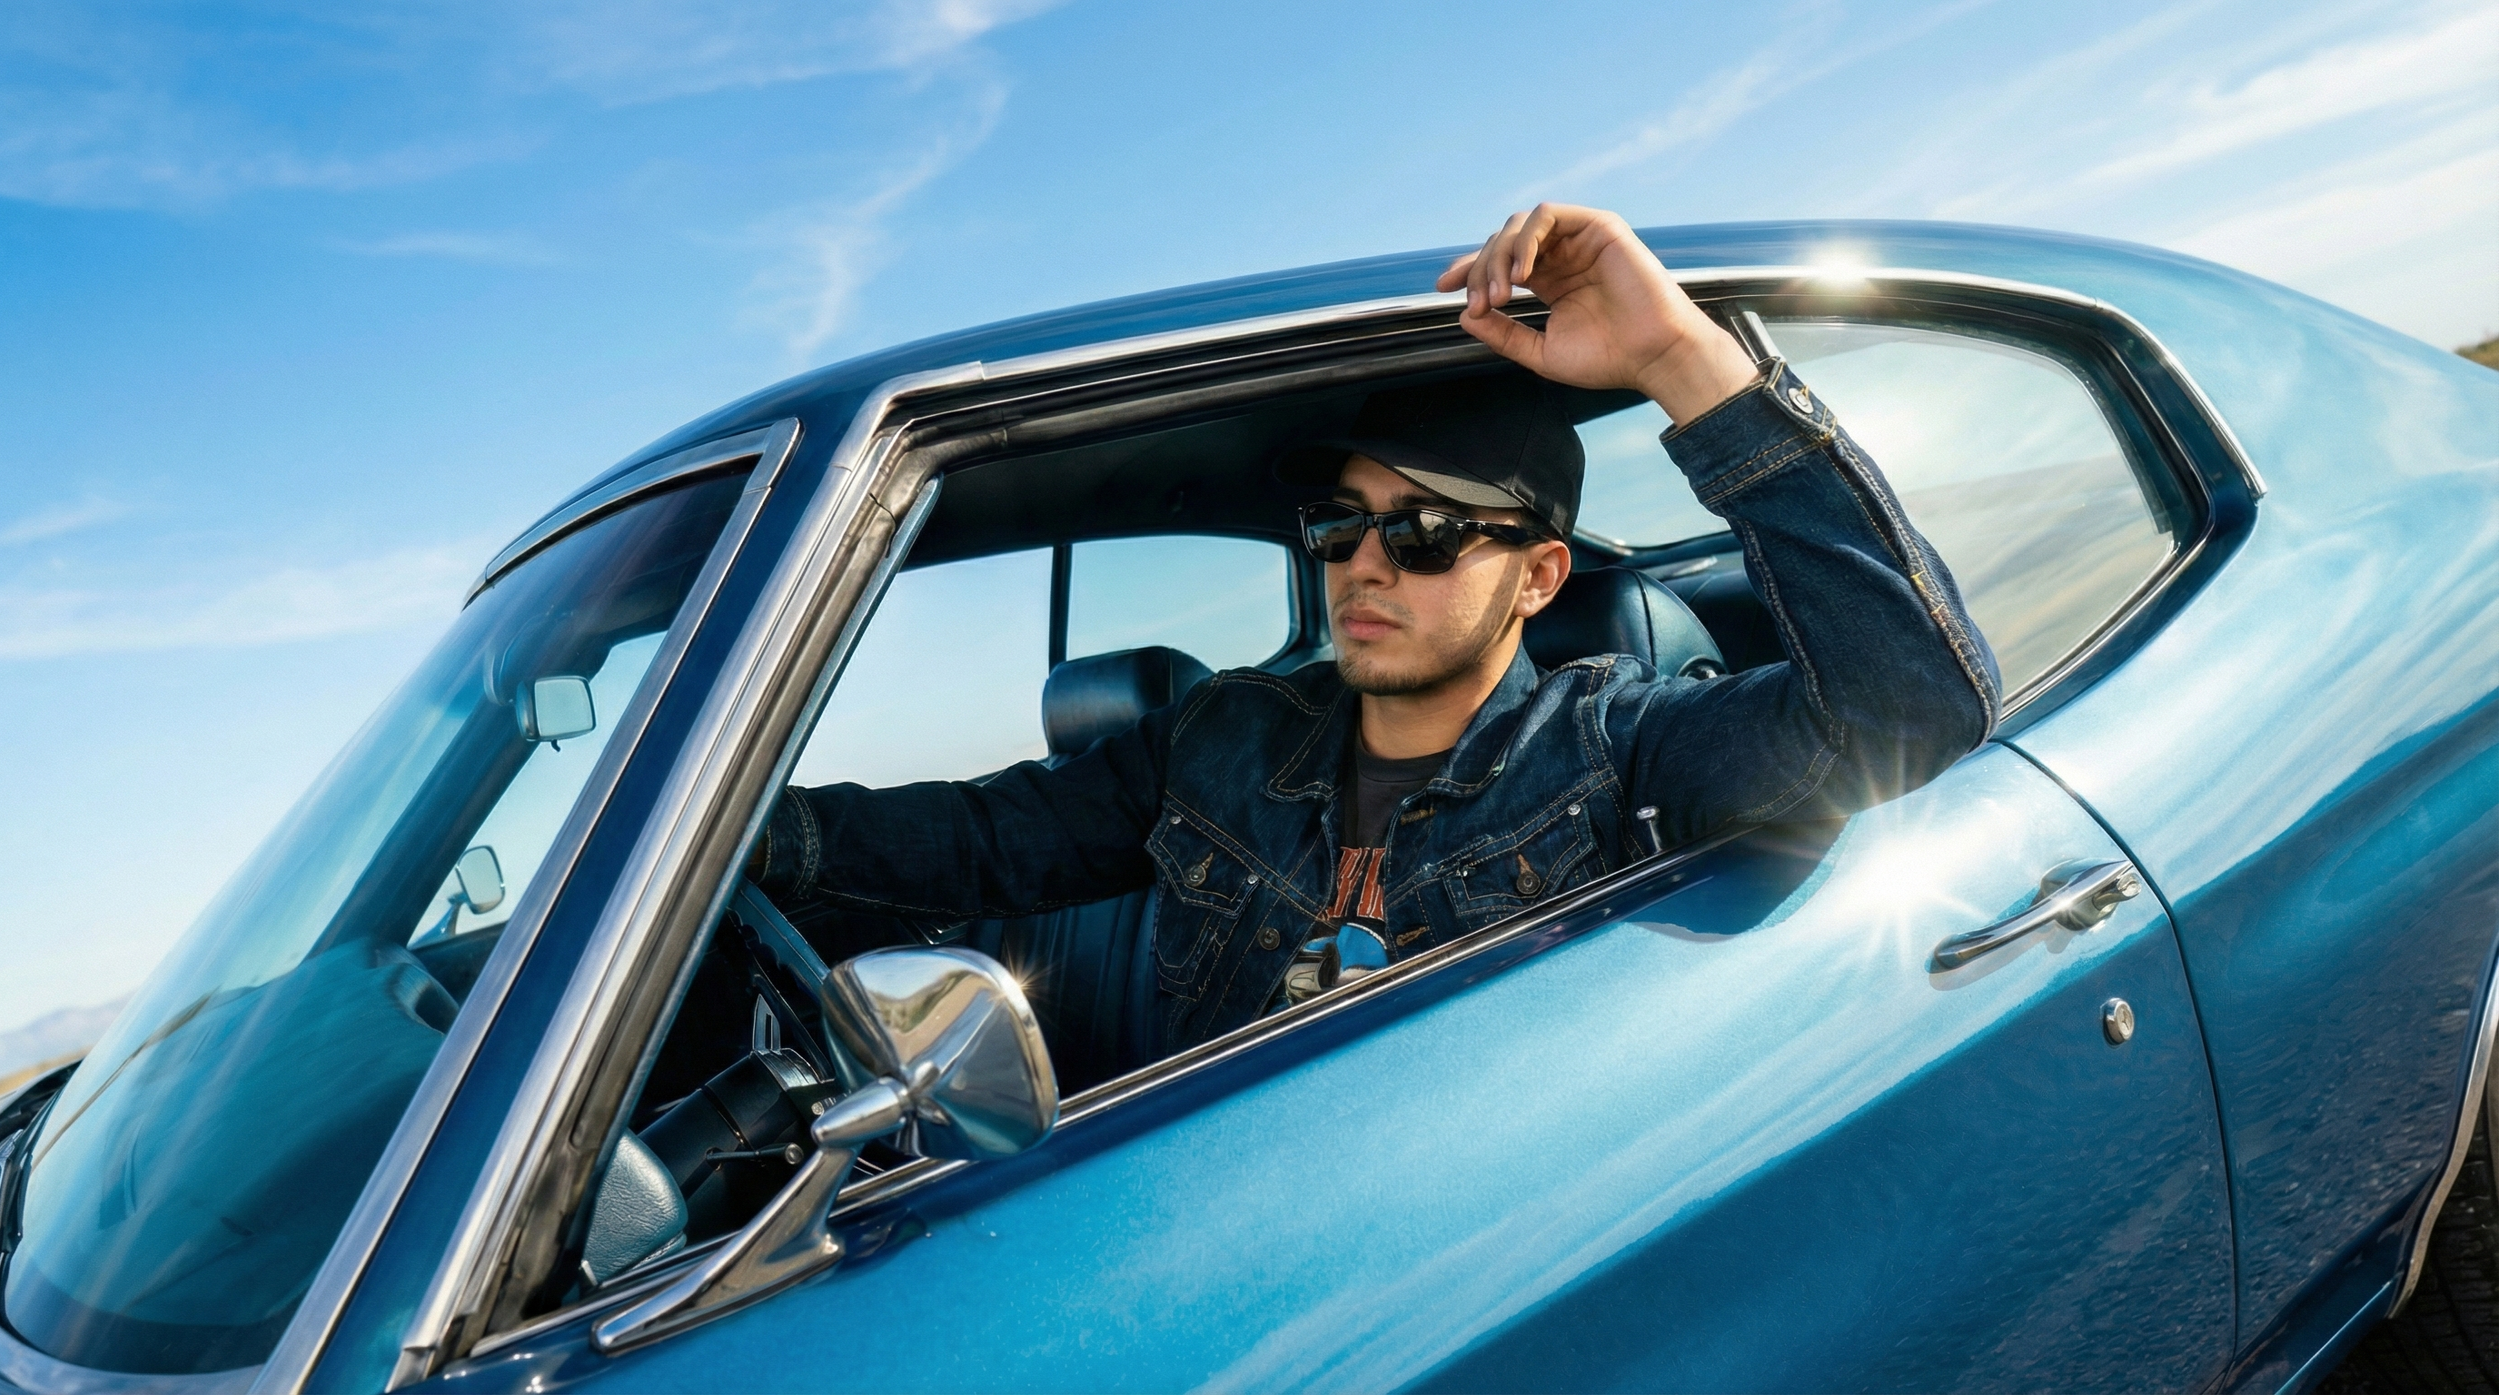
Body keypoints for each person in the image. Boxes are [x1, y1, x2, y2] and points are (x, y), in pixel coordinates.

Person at [747, 204, 2000, 1056]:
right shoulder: (1221, 740)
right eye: (1339, 528)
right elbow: (977, 842)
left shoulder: (1615, 748)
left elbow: (1912, 706)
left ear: (1537, 574)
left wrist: (1676, 355)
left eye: (1425, 532)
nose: (1363, 561)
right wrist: (739, 839)